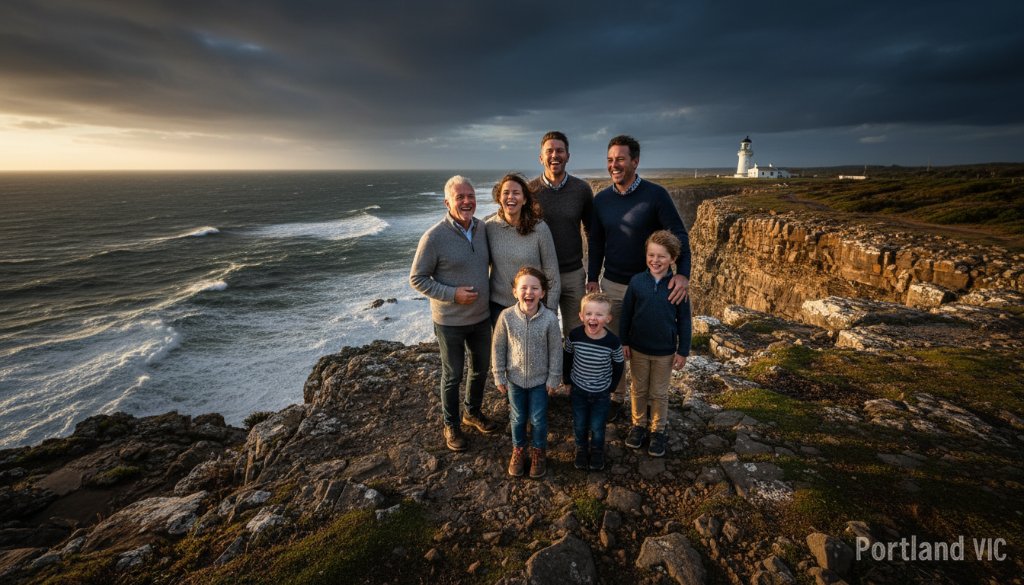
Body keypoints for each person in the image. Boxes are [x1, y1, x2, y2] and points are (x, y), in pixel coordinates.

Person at [586, 135, 690, 420]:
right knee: (614, 346)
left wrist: (683, 274)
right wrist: (593, 277)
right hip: (613, 285)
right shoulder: (602, 200)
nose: (614, 165)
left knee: (644, 346)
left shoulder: (655, 195)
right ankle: (618, 398)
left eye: (620, 159)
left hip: (649, 287)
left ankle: (644, 401)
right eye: (609, 159)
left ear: (635, 161)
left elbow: (679, 235)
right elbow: (595, 241)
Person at [410, 175, 500, 452]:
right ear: (447, 202)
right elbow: (417, 278)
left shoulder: (484, 228)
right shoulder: (434, 237)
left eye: (470, 196)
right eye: (459, 197)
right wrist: (453, 295)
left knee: (481, 369)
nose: (466, 201)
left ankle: (471, 413)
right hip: (449, 322)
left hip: (481, 318)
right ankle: (451, 424)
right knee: (453, 375)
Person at [618, 230, 692, 457]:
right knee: (638, 389)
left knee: (659, 392)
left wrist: (683, 351)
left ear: (672, 259)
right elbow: (626, 315)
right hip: (639, 348)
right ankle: (638, 425)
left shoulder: (677, 287)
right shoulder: (637, 282)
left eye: (661, 256)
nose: (655, 261)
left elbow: (685, 321)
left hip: (664, 352)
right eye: (651, 255)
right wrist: (624, 342)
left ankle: (658, 430)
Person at [492, 266, 562, 478]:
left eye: (534, 288)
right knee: (518, 417)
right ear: (515, 291)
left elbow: (556, 350)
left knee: (539, 419)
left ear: (542, 292)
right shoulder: (506, 317)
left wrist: (554, 378)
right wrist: (498, 374)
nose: (528, 292)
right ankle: (519, 449)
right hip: (514, 380)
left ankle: (539, 451)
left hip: (540, 381)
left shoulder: (550, 319)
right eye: (524, 287)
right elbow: (498, 347)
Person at [529, 131, 594, 336]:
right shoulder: (530, 191)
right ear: (541, 157)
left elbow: (591, 232)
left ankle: (571, 369)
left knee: (575, 334)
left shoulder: (582, 189)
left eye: (560, 151)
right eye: (549, 151)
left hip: (573, 274)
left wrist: (592, 275)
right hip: (540, 275)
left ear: (568, 155)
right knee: (541, 332)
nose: (554, 155)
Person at [485, 173, 560, 326]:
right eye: (506, 192)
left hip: (533, 306)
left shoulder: (539, 229)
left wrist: (551, 311)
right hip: (499, 308)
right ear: (499, 198)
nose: (510, 197)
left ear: (524, 199)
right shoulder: (489, 227)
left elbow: (552, 273)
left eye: (516, 193)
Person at [563, 292, 624, 471]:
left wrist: (612, 387)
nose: (593, 318)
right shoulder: (574, 336)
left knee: (598, 425)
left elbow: (619, 365)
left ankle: (597, 450)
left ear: (608, 318)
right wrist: (566, 380)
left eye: (599, 314)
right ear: (581, 316)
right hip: (578, 389)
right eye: (589, 314)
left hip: (601, 392)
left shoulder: (613, 342)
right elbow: (567, 357)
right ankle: (581, 448)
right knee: (580, 422)